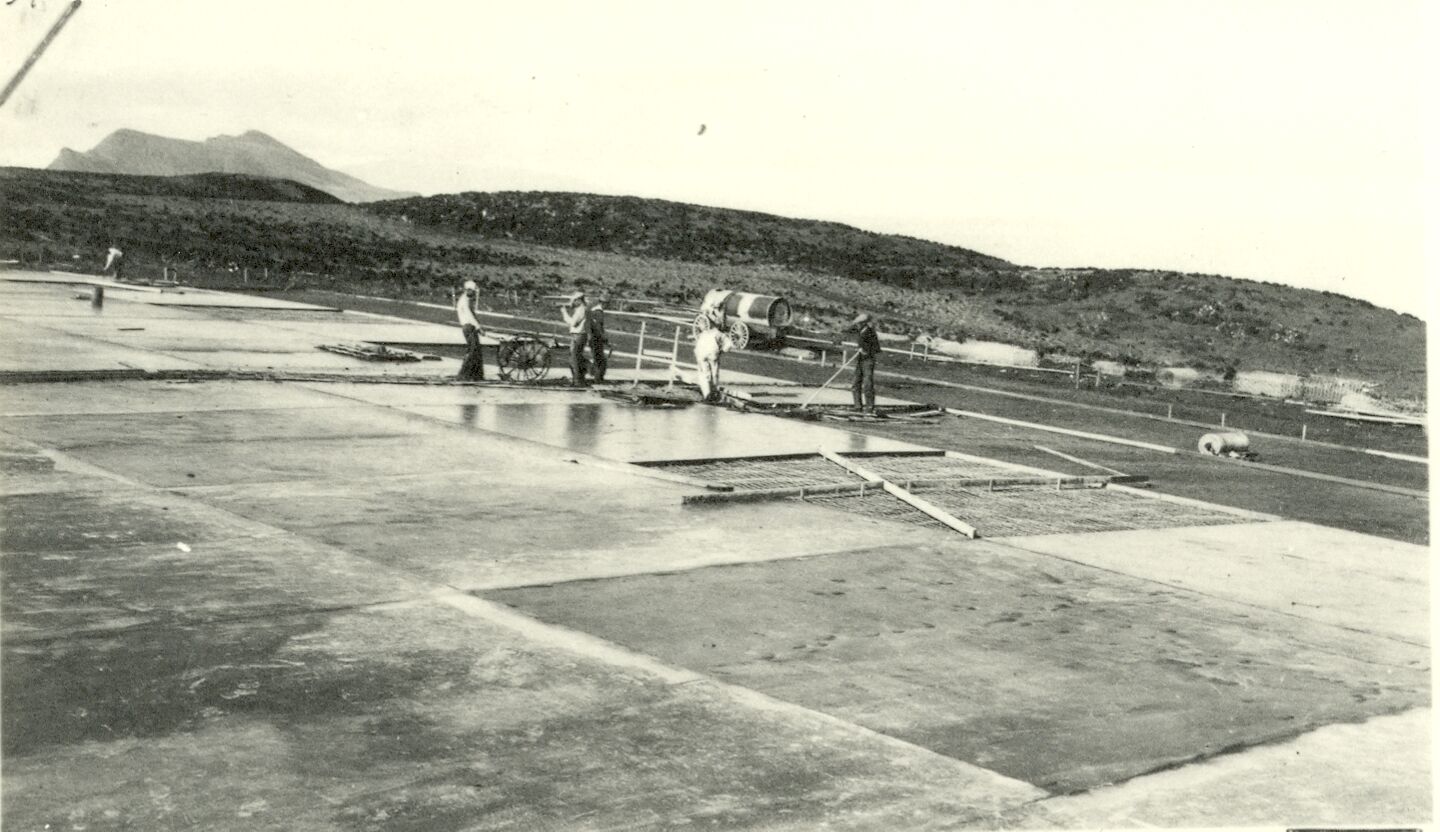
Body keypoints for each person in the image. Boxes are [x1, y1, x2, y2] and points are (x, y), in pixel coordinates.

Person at [455, 280, 486, 381]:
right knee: (473, 351)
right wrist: (479, 328)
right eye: (472, 291)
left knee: (476, 351)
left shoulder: (465, 299)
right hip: (468, 327)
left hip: (469, 327)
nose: (474, 293)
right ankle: (465, 375)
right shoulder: (464, 301)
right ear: (468, 290)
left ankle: (475, 375)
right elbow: (469, 316)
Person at [693, 325, 733, 402]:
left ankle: (707, 394)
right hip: (712, 354)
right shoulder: (719, 334)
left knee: (705, 374)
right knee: (714, 373)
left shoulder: (704, 333)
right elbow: (729, 345)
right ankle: (714, 392)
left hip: (701, 353)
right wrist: (722, 350)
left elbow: (697, 346)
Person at [851, 312, 880, 413]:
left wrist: (866, 351)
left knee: (867, 383)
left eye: (859, 323)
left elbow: (876, 348)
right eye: (857, 323)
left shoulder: (871, 332)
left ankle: (869, 407)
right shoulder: (860, 332)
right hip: (859, 359)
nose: (857, 325)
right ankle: (857, 406)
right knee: (855, 383)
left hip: (868, 360)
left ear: (864, 323)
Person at [560, 291, 591, 385]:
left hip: (578, 335)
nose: (573, 303)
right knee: (575, 357)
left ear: (579, 300)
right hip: (578, 335)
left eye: (574, 301)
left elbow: (573, 323)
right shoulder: (581, 309)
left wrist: (564, 313)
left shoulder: (581, 310)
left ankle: (578, 381)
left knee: (574, 359)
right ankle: (579, 379)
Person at [588, 297, 608, 383]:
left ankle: (597, 377)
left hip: (592, 337)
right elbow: (599, 327)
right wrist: (604, 338)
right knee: (600, 360)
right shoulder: (598, 312)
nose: (607, 305)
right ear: (603, 303)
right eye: (607, 303)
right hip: (596, 338)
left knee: (597, 358)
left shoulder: (593, 311)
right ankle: (598, 379)